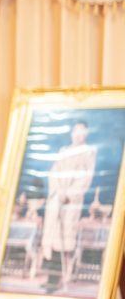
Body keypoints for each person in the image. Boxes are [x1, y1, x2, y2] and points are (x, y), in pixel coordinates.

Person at [40, 120, 97, 288]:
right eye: (76, 131)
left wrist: (69, 193)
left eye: (82, 132)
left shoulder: (88, 152)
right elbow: (54, 172)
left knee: (63, 239)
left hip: (71, 202)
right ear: (72, 133)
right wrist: (59, 191)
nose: (78, 135)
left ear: (86, 134)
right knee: (52, 237)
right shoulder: (64, 151)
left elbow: (86, 177)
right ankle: (50, 278)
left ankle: (60, 279)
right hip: (56, 199)